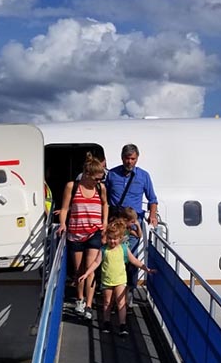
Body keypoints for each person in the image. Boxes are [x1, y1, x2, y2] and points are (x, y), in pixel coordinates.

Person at [58, 153, 108, 320]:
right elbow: (65, 208)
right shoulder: (72, 187)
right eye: (96, 179)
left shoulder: (100, 188)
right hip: (75, 233)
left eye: (100, 179)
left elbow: (105, 204)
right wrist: (63, 223)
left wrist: (105, 223)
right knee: (79, 269)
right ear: (87, 174)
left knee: (90, 268)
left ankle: (88, 304)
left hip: (94, 231)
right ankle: (79, 299)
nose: (98, 182)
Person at [80, 221, 154, 336]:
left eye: (115, 239)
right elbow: (96, 262)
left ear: (120, 238)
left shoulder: (124, 249)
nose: (112, 241)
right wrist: (87, 273)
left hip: (120, 280)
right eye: (110, 238)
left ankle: (123, 324)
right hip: (107, 280)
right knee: (107, 302)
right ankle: (106, 322)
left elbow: (134, 260)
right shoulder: (103, 249)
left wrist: (146, 269)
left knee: (121, 303)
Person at [105, 144, 158, 304]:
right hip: (115, 223)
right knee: (113, 257)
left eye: (132, 159)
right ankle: (112, 292)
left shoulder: (143, 176)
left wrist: (153, 215)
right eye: (127, 158)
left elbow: (152, 199)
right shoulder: (112, 174)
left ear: (137, 158)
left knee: (130, 259)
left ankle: (129, 291)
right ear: (122, 158)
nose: (129, 161)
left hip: (133, 225)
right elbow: (104, 198)